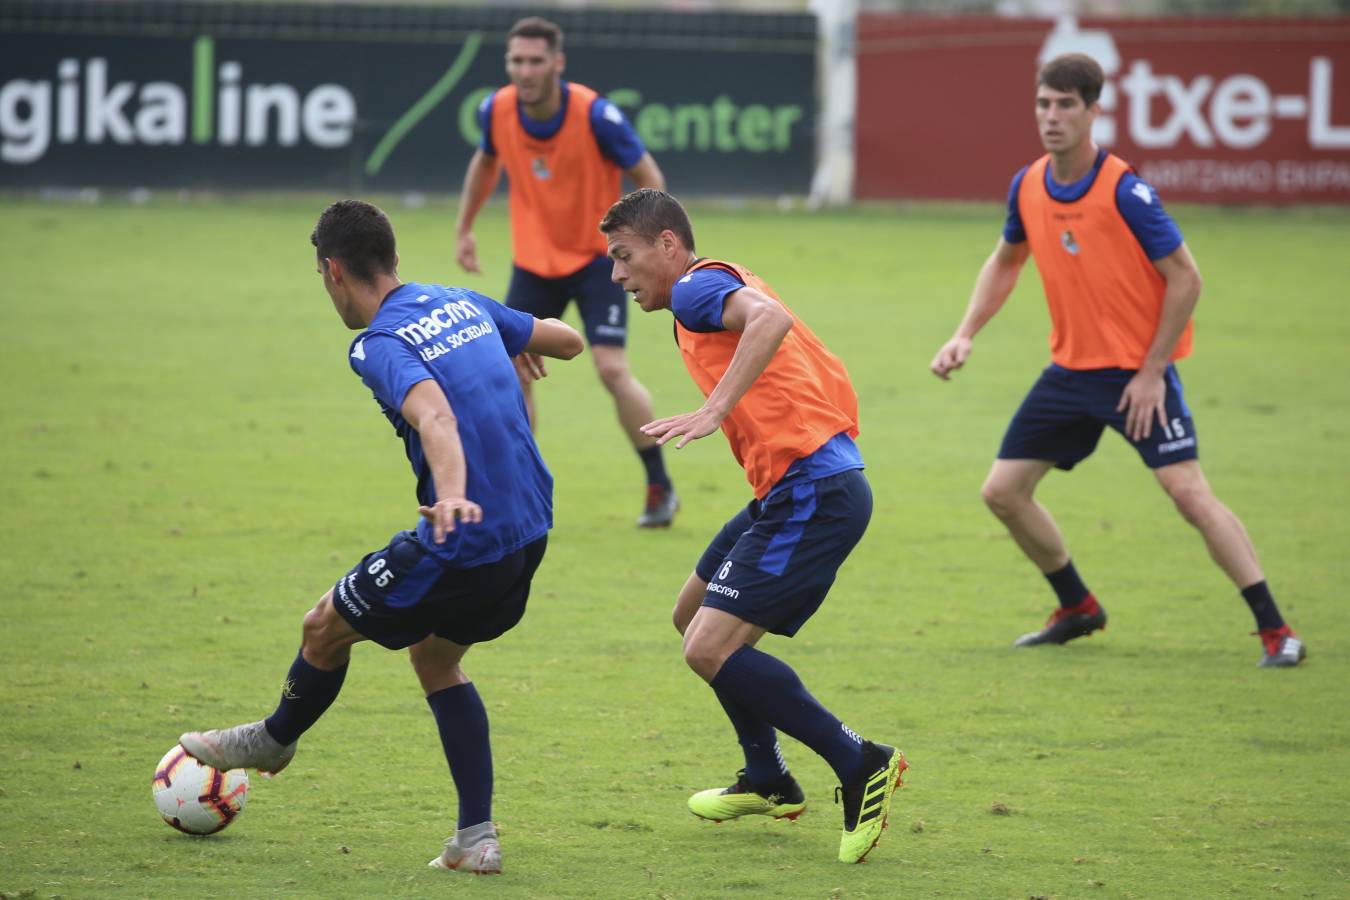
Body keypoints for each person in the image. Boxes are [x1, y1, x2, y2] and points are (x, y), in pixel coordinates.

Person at [179, 200, 584, 874]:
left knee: (321, 629)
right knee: (435, 660)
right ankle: (476, 838)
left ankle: (276, 739)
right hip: (529, 528)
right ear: (392, 256)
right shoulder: (460, 300)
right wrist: (513, 341)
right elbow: (565, 342)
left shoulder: (378, 344)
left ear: (334, 272)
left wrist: (451, 494)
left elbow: (435, 416)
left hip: (461, 536)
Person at [929, 54, 1306, 668]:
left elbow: (1186, 279)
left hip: (1136, 378)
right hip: (1070, 374)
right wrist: (965, 333)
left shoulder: (1125, 190)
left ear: (1093, 111)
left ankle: (1276, 630)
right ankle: (1077, 607)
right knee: (1003, 492)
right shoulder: (1028, 185)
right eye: (1043, 104)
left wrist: (1154, 370)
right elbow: (1005, 260)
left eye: (1066, 105)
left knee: (1187, 493)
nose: (1052, 117)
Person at [600, 188, 907, 864]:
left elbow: (769, 321)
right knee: (691, 617)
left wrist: (714, 408)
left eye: (625, 258)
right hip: (793, 488)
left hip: (813, 490)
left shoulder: (693, 290)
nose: (617, 276)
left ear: (668, 247)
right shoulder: (711, 283)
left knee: (708, 648)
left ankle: (861, 761)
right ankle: (766, 776)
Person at [454, 15, 677, 528]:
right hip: (534, 264)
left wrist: (646, 245)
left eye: (535, 61)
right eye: (516, 61)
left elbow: (649, 175)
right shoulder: (497, 110)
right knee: (511, 369)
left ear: (557, 63)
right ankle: (520, 486)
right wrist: (465, 227)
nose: (525, 71)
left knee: (611, 369)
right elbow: (485, 163)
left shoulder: (595, 114)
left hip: (598, 261)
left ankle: (658, 484)